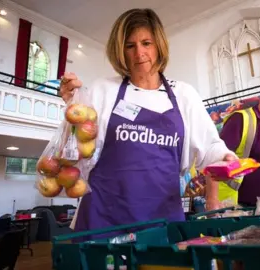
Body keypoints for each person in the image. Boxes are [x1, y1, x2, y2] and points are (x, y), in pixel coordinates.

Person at [58, 8, 235, 240]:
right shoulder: (103, 90)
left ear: (159, 45)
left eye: (146, 43)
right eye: (130, 46)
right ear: (120, 51)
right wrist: (74, 103)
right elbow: (76, 148)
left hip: (162, 220)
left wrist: (224, 157)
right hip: (104, 220)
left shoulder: (184, 94)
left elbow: (209, 146)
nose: (139, 52)